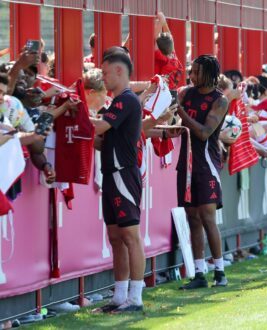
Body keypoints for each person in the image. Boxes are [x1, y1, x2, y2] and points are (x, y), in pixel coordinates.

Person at [90, 50, 145, 313]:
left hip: (123, 173)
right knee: (114, 236)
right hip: (111, 174)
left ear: (119, 71)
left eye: (105, 72)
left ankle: (135, 298)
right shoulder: (117, 102)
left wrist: (77, 116)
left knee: (130, 235)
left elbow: (100, 128)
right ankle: (119, 296)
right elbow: (103, 141)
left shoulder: (126, 100)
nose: (103, 77)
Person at [177, 55, 229, 289]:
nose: (192, 75)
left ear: (209, 75)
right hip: (185, 162)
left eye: (197, 72)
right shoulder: (186, 93)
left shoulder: (220, 100)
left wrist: (180, 112)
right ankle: (199, 273)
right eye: (192, 71)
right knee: (192, 218)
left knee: (208, 217)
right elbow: (180, 128)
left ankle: (220, 271)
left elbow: (204, 132)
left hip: (207, 163)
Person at [154, 12, 183, 91]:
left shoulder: (163, 58)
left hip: (162, 93)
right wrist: (163, 22)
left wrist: (162, 22)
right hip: (171, 93)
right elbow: (170, 37)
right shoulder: (173, 57)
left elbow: (153, 40)